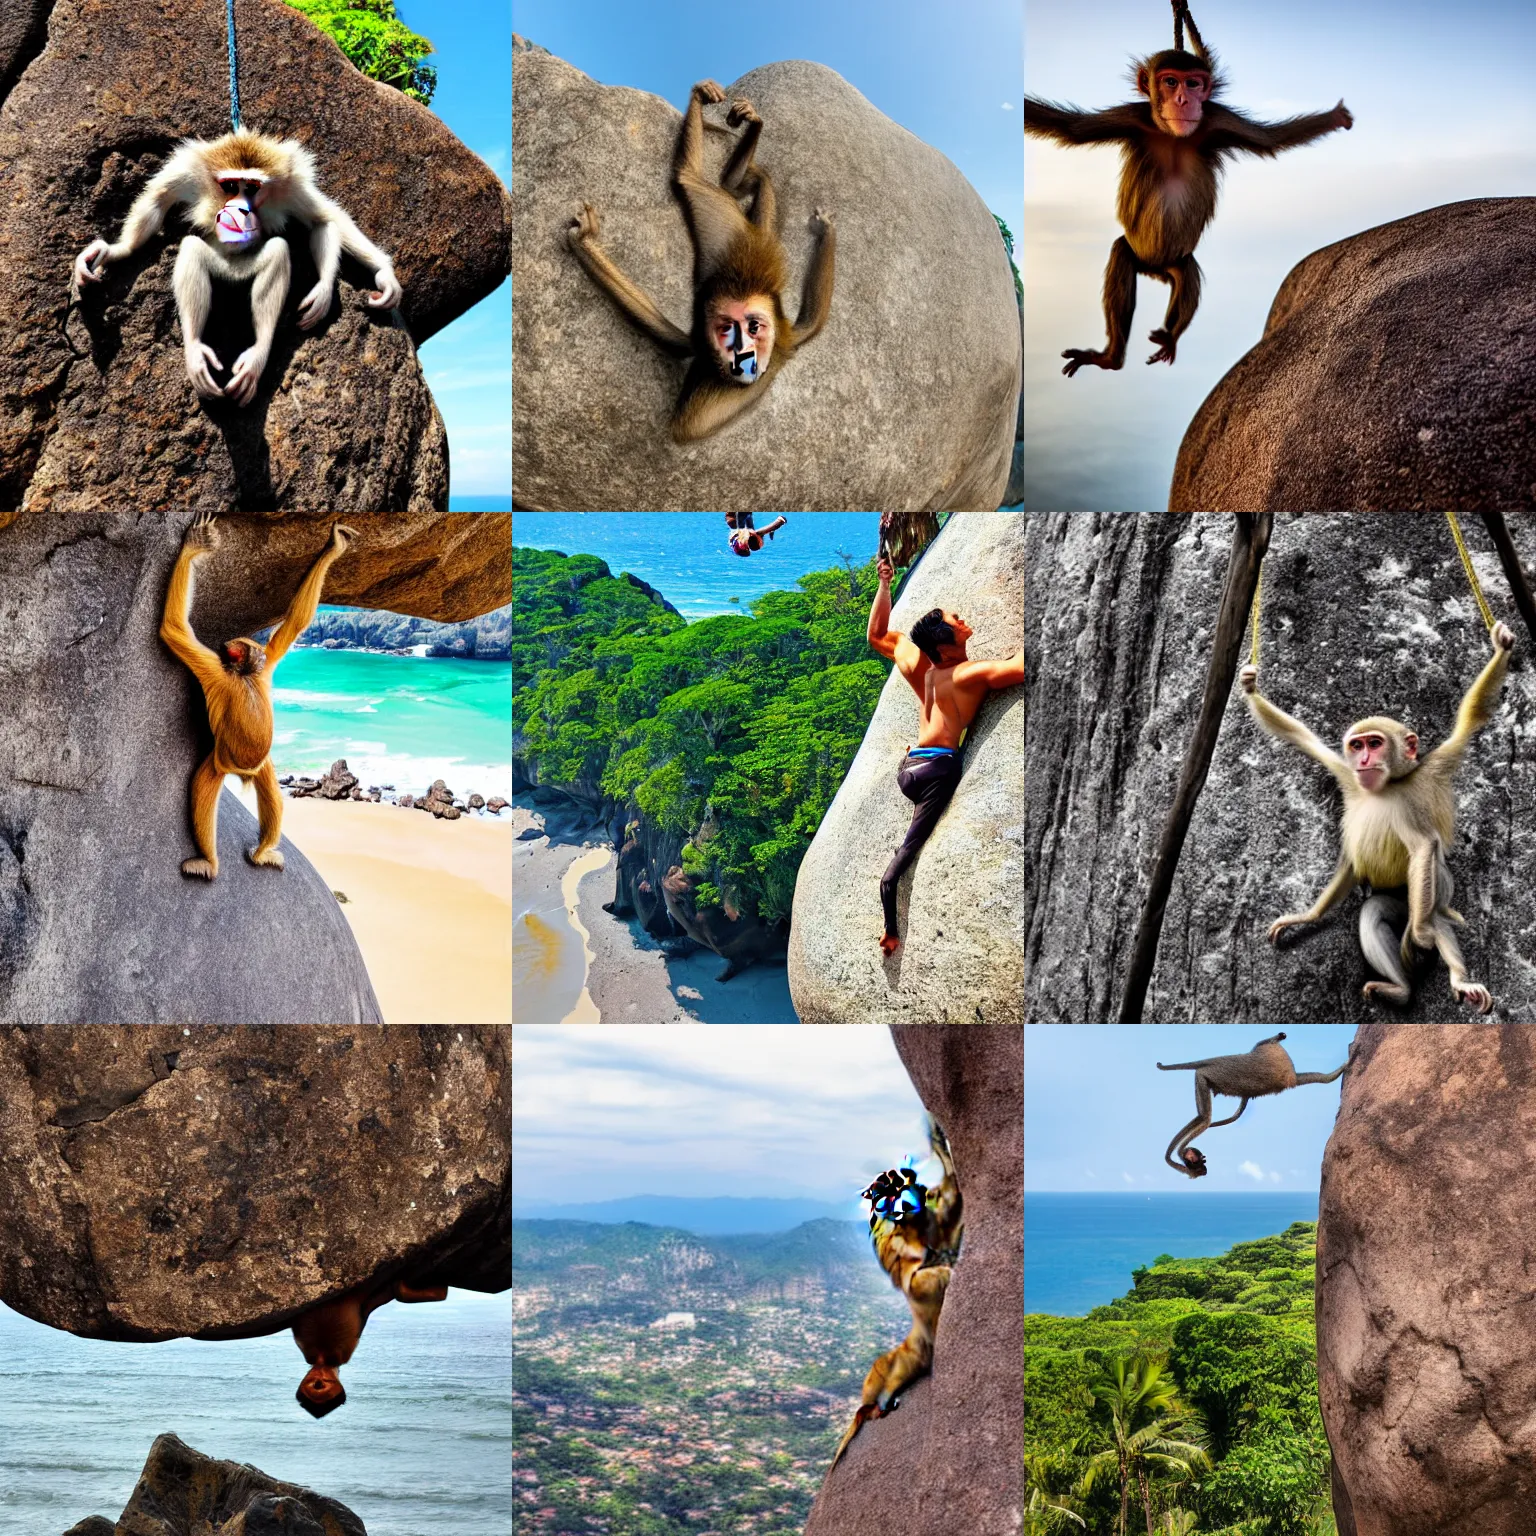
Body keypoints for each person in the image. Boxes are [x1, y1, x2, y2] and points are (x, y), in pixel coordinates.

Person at [866, 556, 1024, 954]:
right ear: (944, 643)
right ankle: (889, 927)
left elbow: (879, 636)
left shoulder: (921, 666)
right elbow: (1022, 667)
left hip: (911, 766)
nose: (962, 618)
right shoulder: (970, 674)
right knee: (908, 849)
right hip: (937, 771)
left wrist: (885, 583)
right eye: (956, 620)